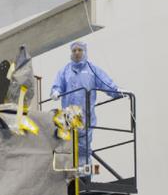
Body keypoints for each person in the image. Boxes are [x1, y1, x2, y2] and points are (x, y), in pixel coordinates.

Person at [49, 41, 120, 170]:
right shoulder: (65, 71)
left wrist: (116, 92)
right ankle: (68, 176)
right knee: (66, 145)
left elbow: (105, 82)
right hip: (68, 116)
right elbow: (57, 85)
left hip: (86, 115)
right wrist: (55, 91)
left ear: (84, 51)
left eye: (79, 50)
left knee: (84, 148)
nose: (77, 53)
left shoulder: (92, 70)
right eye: (74, 50)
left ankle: (84, 178)